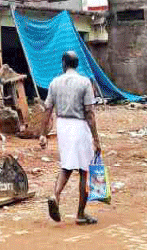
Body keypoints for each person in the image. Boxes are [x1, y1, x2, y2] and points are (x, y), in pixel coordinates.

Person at [40, 51, 102, 226]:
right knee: (85, 170)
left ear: (63, 64)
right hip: (80, 126)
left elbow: (47, 110)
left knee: (66, 165)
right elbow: (89, 113)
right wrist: (96, 139)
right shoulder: (84, 83)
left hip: (62, 127)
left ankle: (55, 195)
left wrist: (42, 134)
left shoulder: (54, 82)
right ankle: (81, 214)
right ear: (76, 64)